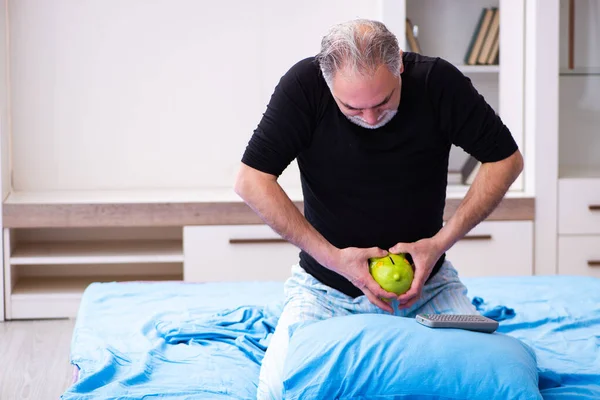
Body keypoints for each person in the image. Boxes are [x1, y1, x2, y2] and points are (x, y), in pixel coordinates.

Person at [234, 18, 524, 400]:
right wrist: (334, 259)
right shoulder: (304, 86)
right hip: (325, 287)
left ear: (399, 64)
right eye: (352, 108)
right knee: (275, 393)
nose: (371, 119)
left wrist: (439, 243)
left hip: (429, 286)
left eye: (384, 101)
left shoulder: (437, 82)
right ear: (328, 84)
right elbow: (251, 180)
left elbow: (506, 160)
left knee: (494, 385)